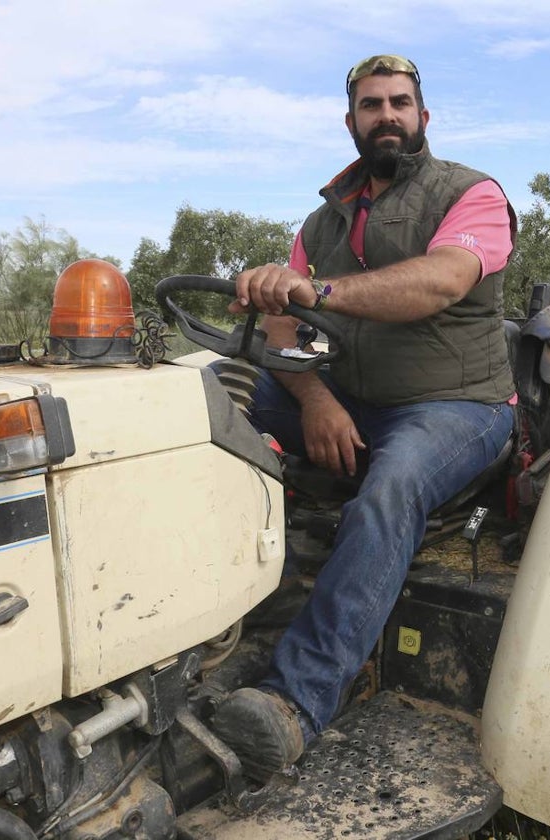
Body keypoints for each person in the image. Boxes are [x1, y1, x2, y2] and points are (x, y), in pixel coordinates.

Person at [210, 54, 517, 782]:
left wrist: (313, 291)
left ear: (422, 117)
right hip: (345, 397)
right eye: (372, 105)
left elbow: (440, 281)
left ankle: (295, 702)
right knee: (197, 400)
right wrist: (314, 400)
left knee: (391, 487)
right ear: (351, 122)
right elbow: (283, 329)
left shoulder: (471, 194)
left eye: (400, 103)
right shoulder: (321, 220)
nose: (387, 115)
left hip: (457, 405)